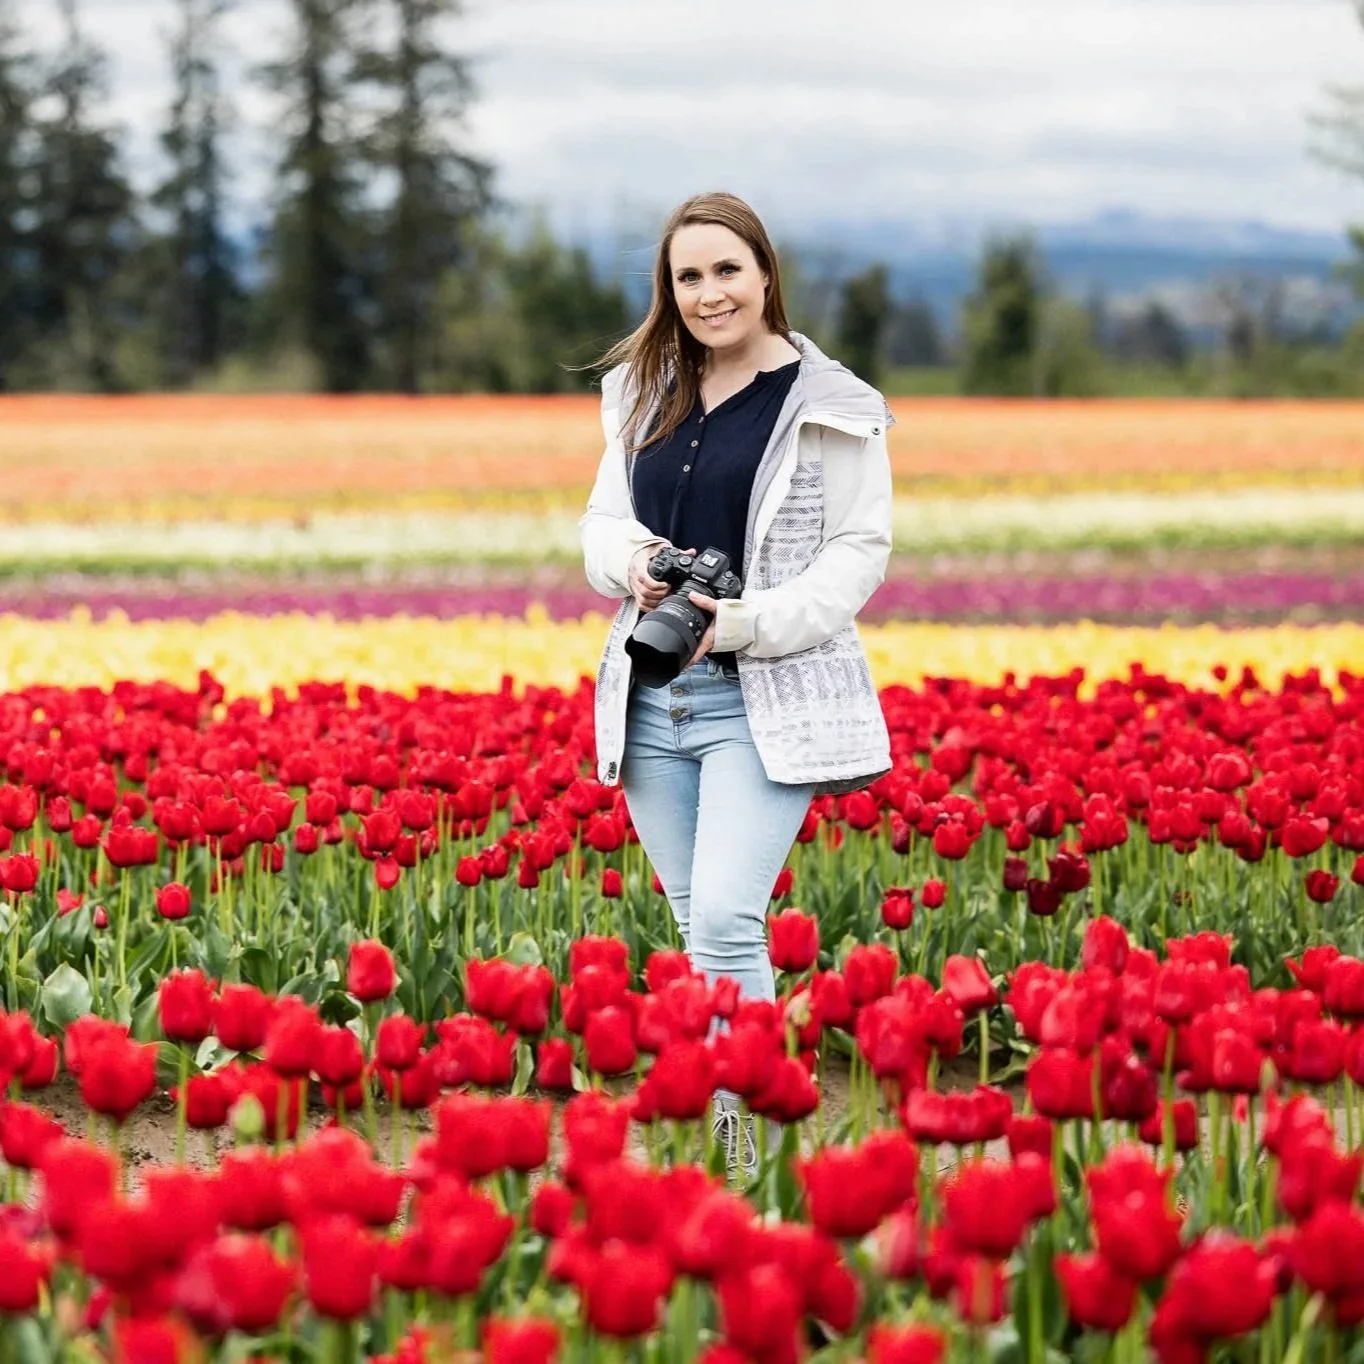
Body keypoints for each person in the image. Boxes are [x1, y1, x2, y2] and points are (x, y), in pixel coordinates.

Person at [578, 191, 894, 1177]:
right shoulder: (644, 389)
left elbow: (857, 552)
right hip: (651, 692)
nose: (709, 293)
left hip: (762, 698)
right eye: (688, 276)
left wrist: (747, 623)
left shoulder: (832, 404)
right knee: (699, 929)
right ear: (667, 291)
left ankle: (745, 1153)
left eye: (726, 270)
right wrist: (633, 562)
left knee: (723, 919)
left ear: (764, 274)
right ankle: (740, 1156)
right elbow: (600, 522)